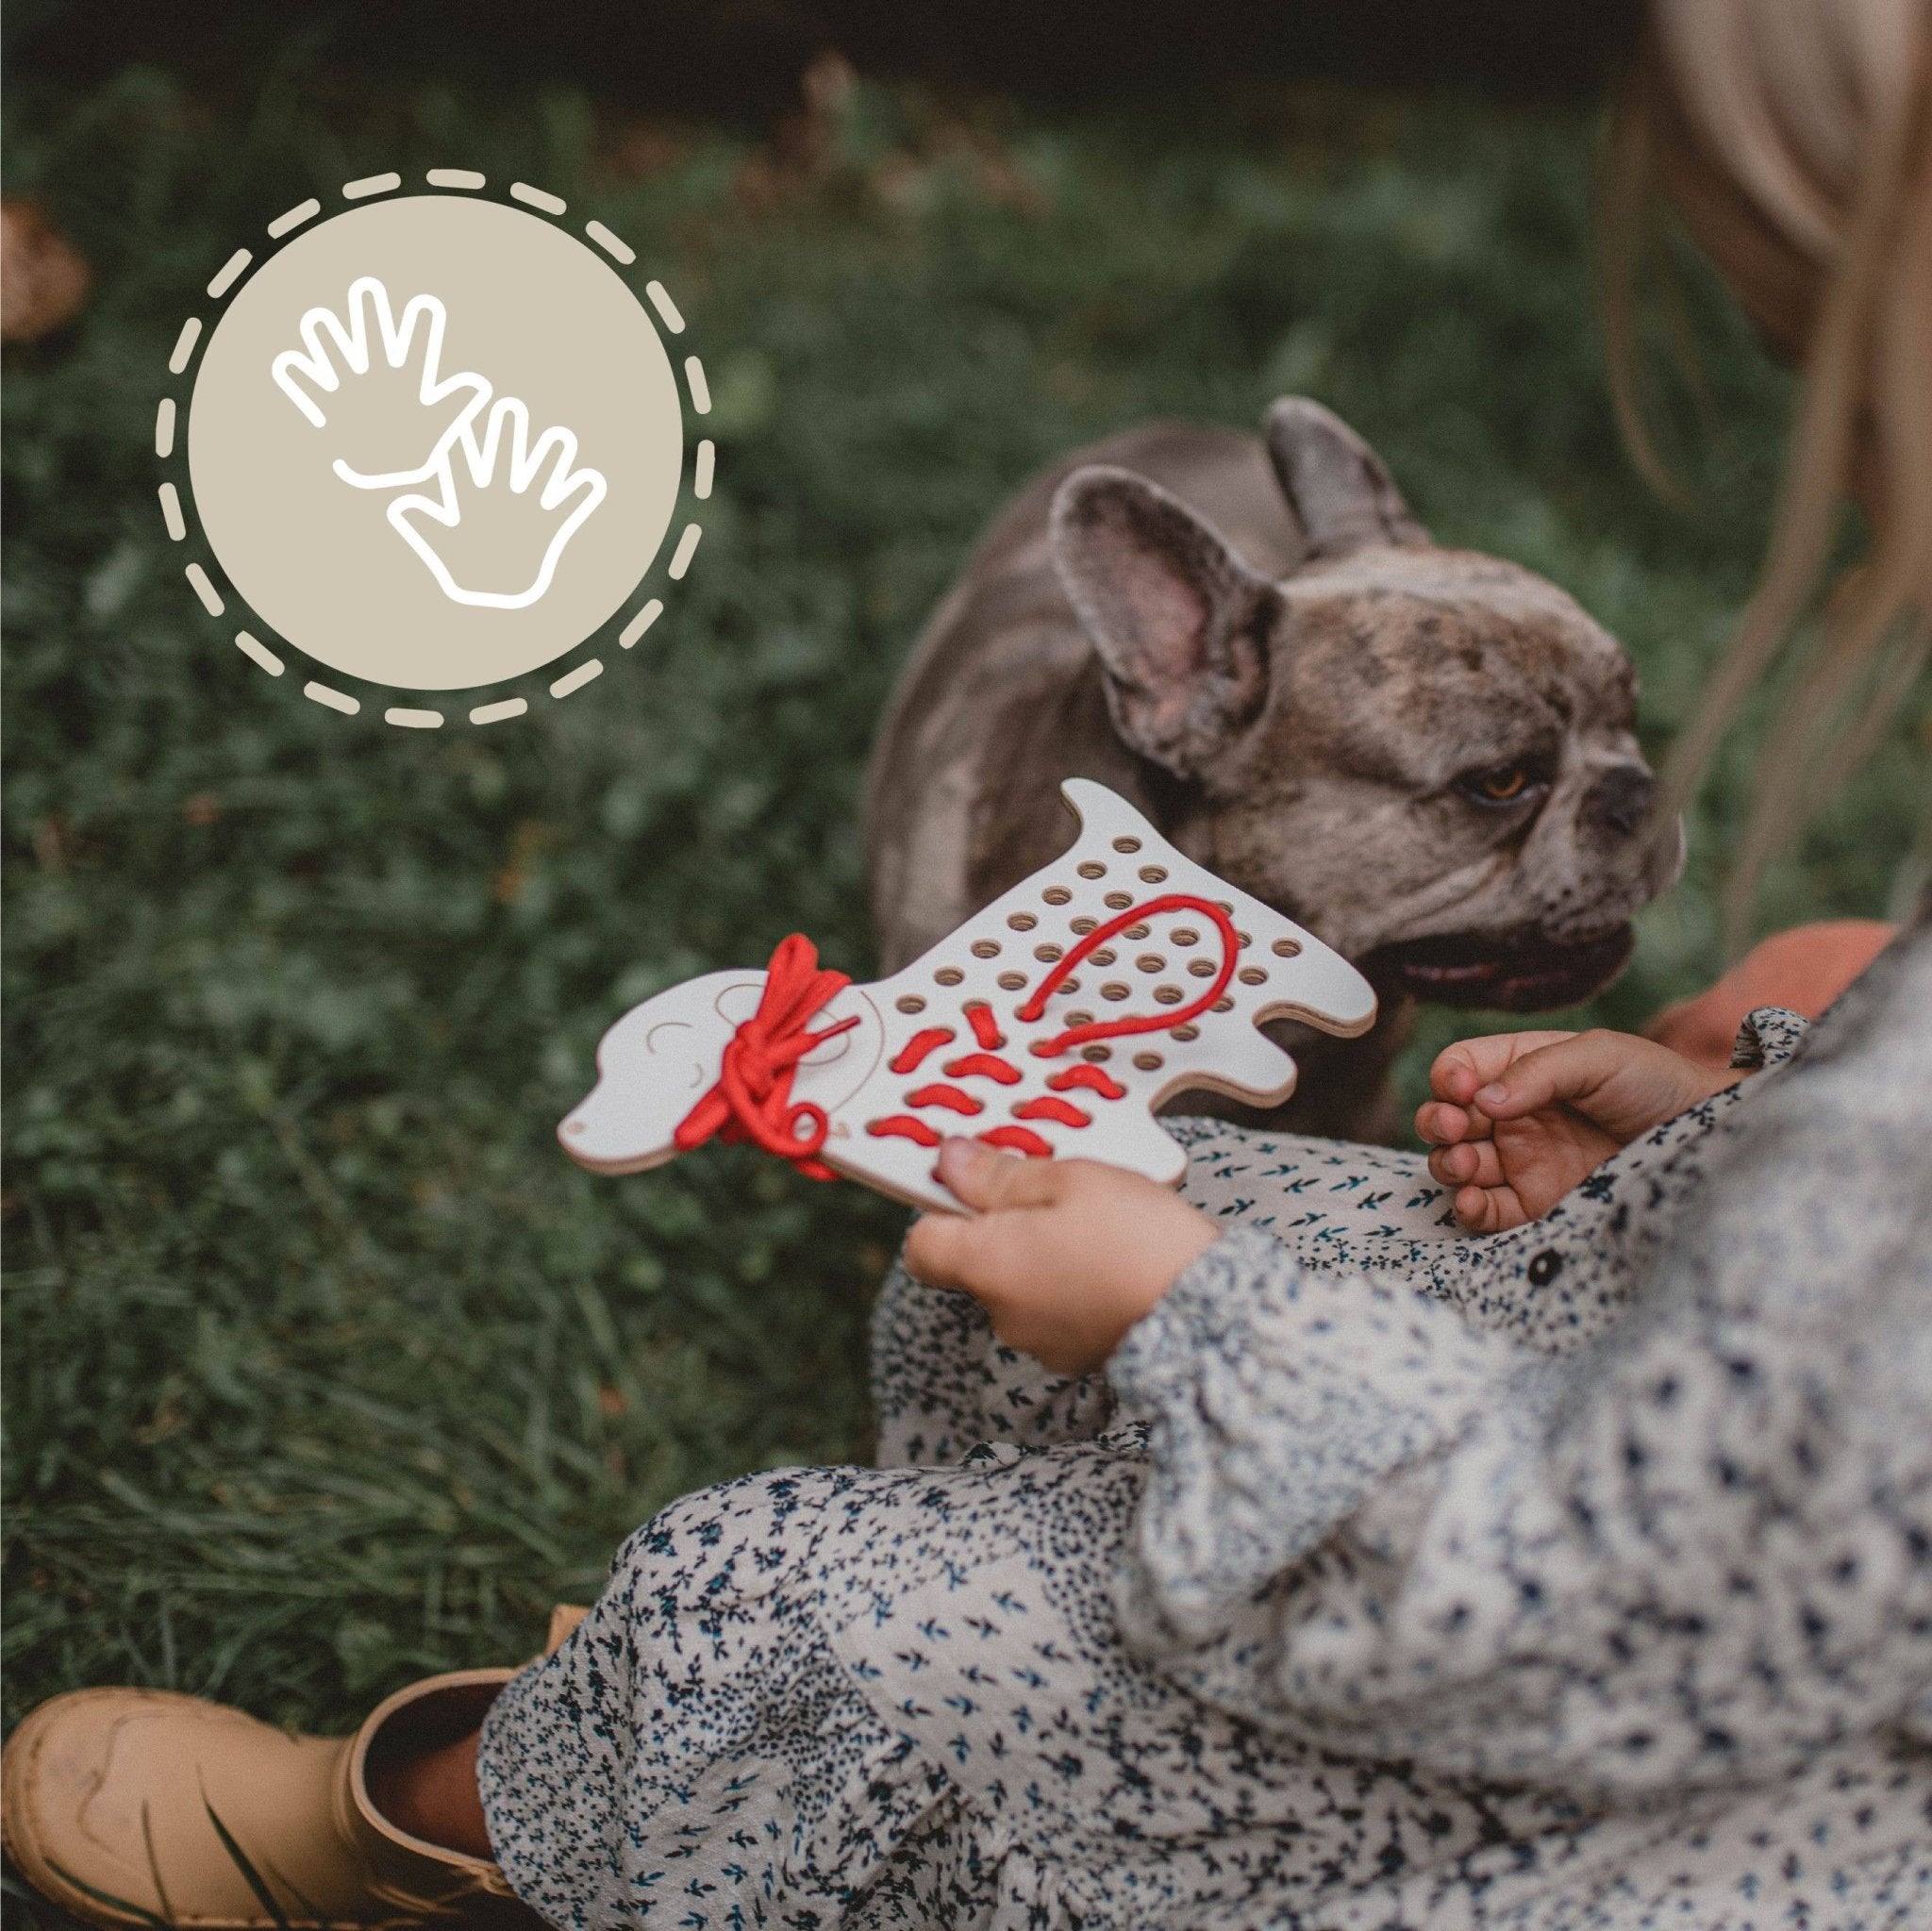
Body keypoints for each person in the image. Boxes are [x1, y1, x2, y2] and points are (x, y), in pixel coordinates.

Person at [8, 2, 1928, 1926]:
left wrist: (1195, 1324)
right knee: (1092, 1216)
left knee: (794, 1601)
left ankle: (501, 1814)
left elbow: (1614, 1613)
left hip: (1676, 1749)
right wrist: (1727, 1103)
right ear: (1176, 691)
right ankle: (1035, 1521)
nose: (1613, 810)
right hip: (1723, 1458)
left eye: (1793, 342)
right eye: (1506, 780)